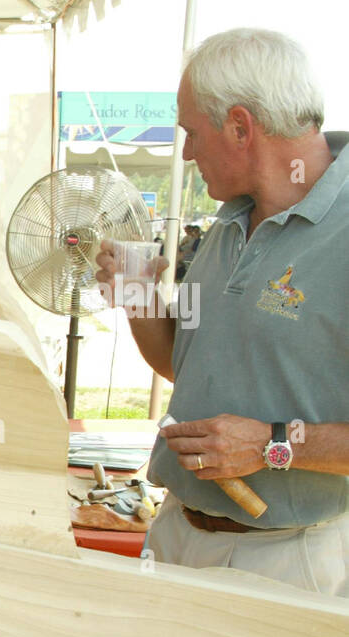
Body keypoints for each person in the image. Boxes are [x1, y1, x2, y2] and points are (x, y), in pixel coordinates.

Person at [96, 27, 348, 597]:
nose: (186, 153)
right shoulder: (232, 219)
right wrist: (137, 295)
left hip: (289, 561)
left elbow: (264, 439)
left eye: (191, 132)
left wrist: (270, 445)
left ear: (240, 126)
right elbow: (186, 367)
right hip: (176, 532)